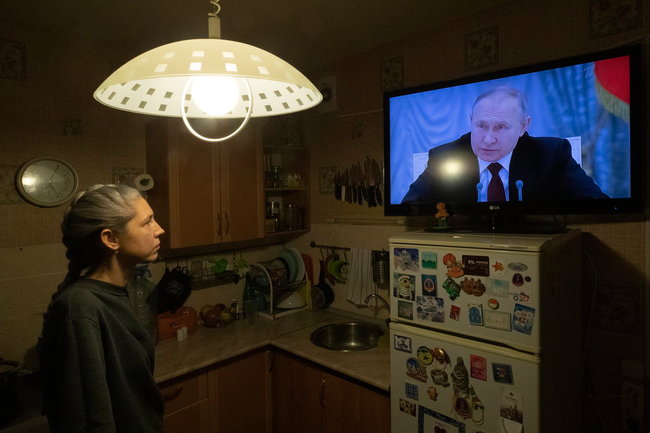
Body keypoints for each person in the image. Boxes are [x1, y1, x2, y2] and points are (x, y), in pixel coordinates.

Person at [39, 184, 166, 433]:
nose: (159, 229)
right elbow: (85, 416)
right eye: (147, 222)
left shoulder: (124, 291)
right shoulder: (80, 306)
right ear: (111, 239)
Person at [401, 86, 608, 204]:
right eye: (481, 126)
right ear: (471, 120)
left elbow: (598, 204)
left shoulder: (551, 154)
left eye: (501, 127)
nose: (488, 139)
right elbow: (409, 207)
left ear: (523, 126)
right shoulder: (445, 157)